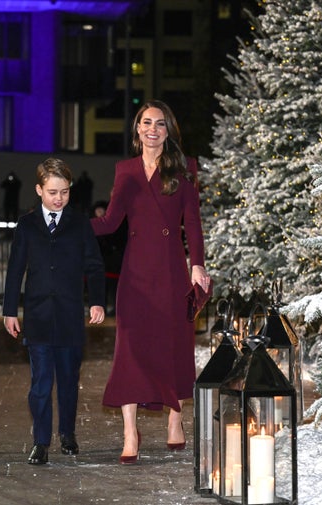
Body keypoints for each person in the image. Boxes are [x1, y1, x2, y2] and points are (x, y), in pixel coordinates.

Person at [90, 100, 211, 465]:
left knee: (175, 343)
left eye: (160, 123)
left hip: (173, 270)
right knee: (129, 348)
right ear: (137, 129)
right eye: (146, 122)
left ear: (167, 130)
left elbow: (193, 222)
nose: (152, 129)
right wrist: (69, 225)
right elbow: (111, 223)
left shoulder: (184, 168)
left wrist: (198, 265)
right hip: (136, 273)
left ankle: (176, 419)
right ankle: (130, 431)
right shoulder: (125, 170)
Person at [3, 158, 106, 465]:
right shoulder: (26, 224)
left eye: (64, 191)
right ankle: (41, 441)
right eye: (52, 192)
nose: (58, 198)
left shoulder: (79, 223)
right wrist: (10, 311)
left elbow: (95, 266)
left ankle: (68, 433)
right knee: (40, 383)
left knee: (68, 380)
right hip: (37, 316)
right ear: (39, 190)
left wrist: (97, 301)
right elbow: (15, 269)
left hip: (70, 316)